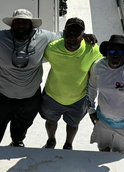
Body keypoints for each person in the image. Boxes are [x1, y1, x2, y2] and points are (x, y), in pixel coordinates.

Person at [0, 9, 96, 147]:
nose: (21, 25)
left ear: (32, 25)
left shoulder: (43, 36)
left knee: (23, 124)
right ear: (12, 24)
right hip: (3, 95)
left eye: (25, 22)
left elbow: (66, 35)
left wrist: (84, 36)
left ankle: (17, 142)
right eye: (17, 21)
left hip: (31, 97)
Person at [41, 18, 103, 150]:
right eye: (69, 34)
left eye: (77, 35)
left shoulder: (92, 49)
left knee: (73, 124)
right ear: (63, 33)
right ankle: (51, 140)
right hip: (52, 96)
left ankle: (68, 144)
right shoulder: (52, 49)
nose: (72, 38)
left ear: (83, 36)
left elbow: (108, 61)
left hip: (79, 99)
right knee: (51, 121)